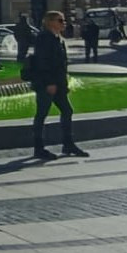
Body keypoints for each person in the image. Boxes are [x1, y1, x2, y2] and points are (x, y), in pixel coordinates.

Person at [29, 10, 88, 161]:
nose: (64, 23)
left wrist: (64, 83)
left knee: (67, 110)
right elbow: (42, 62)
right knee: (41, 114)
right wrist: (49, 83)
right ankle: (39, 148)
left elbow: (61, 64)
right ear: (50, 23)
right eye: (60, 20)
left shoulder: (59, 39)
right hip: (46, 84)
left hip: (59, 84)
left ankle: (68, 144)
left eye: (63, 20)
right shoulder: (43, 38)